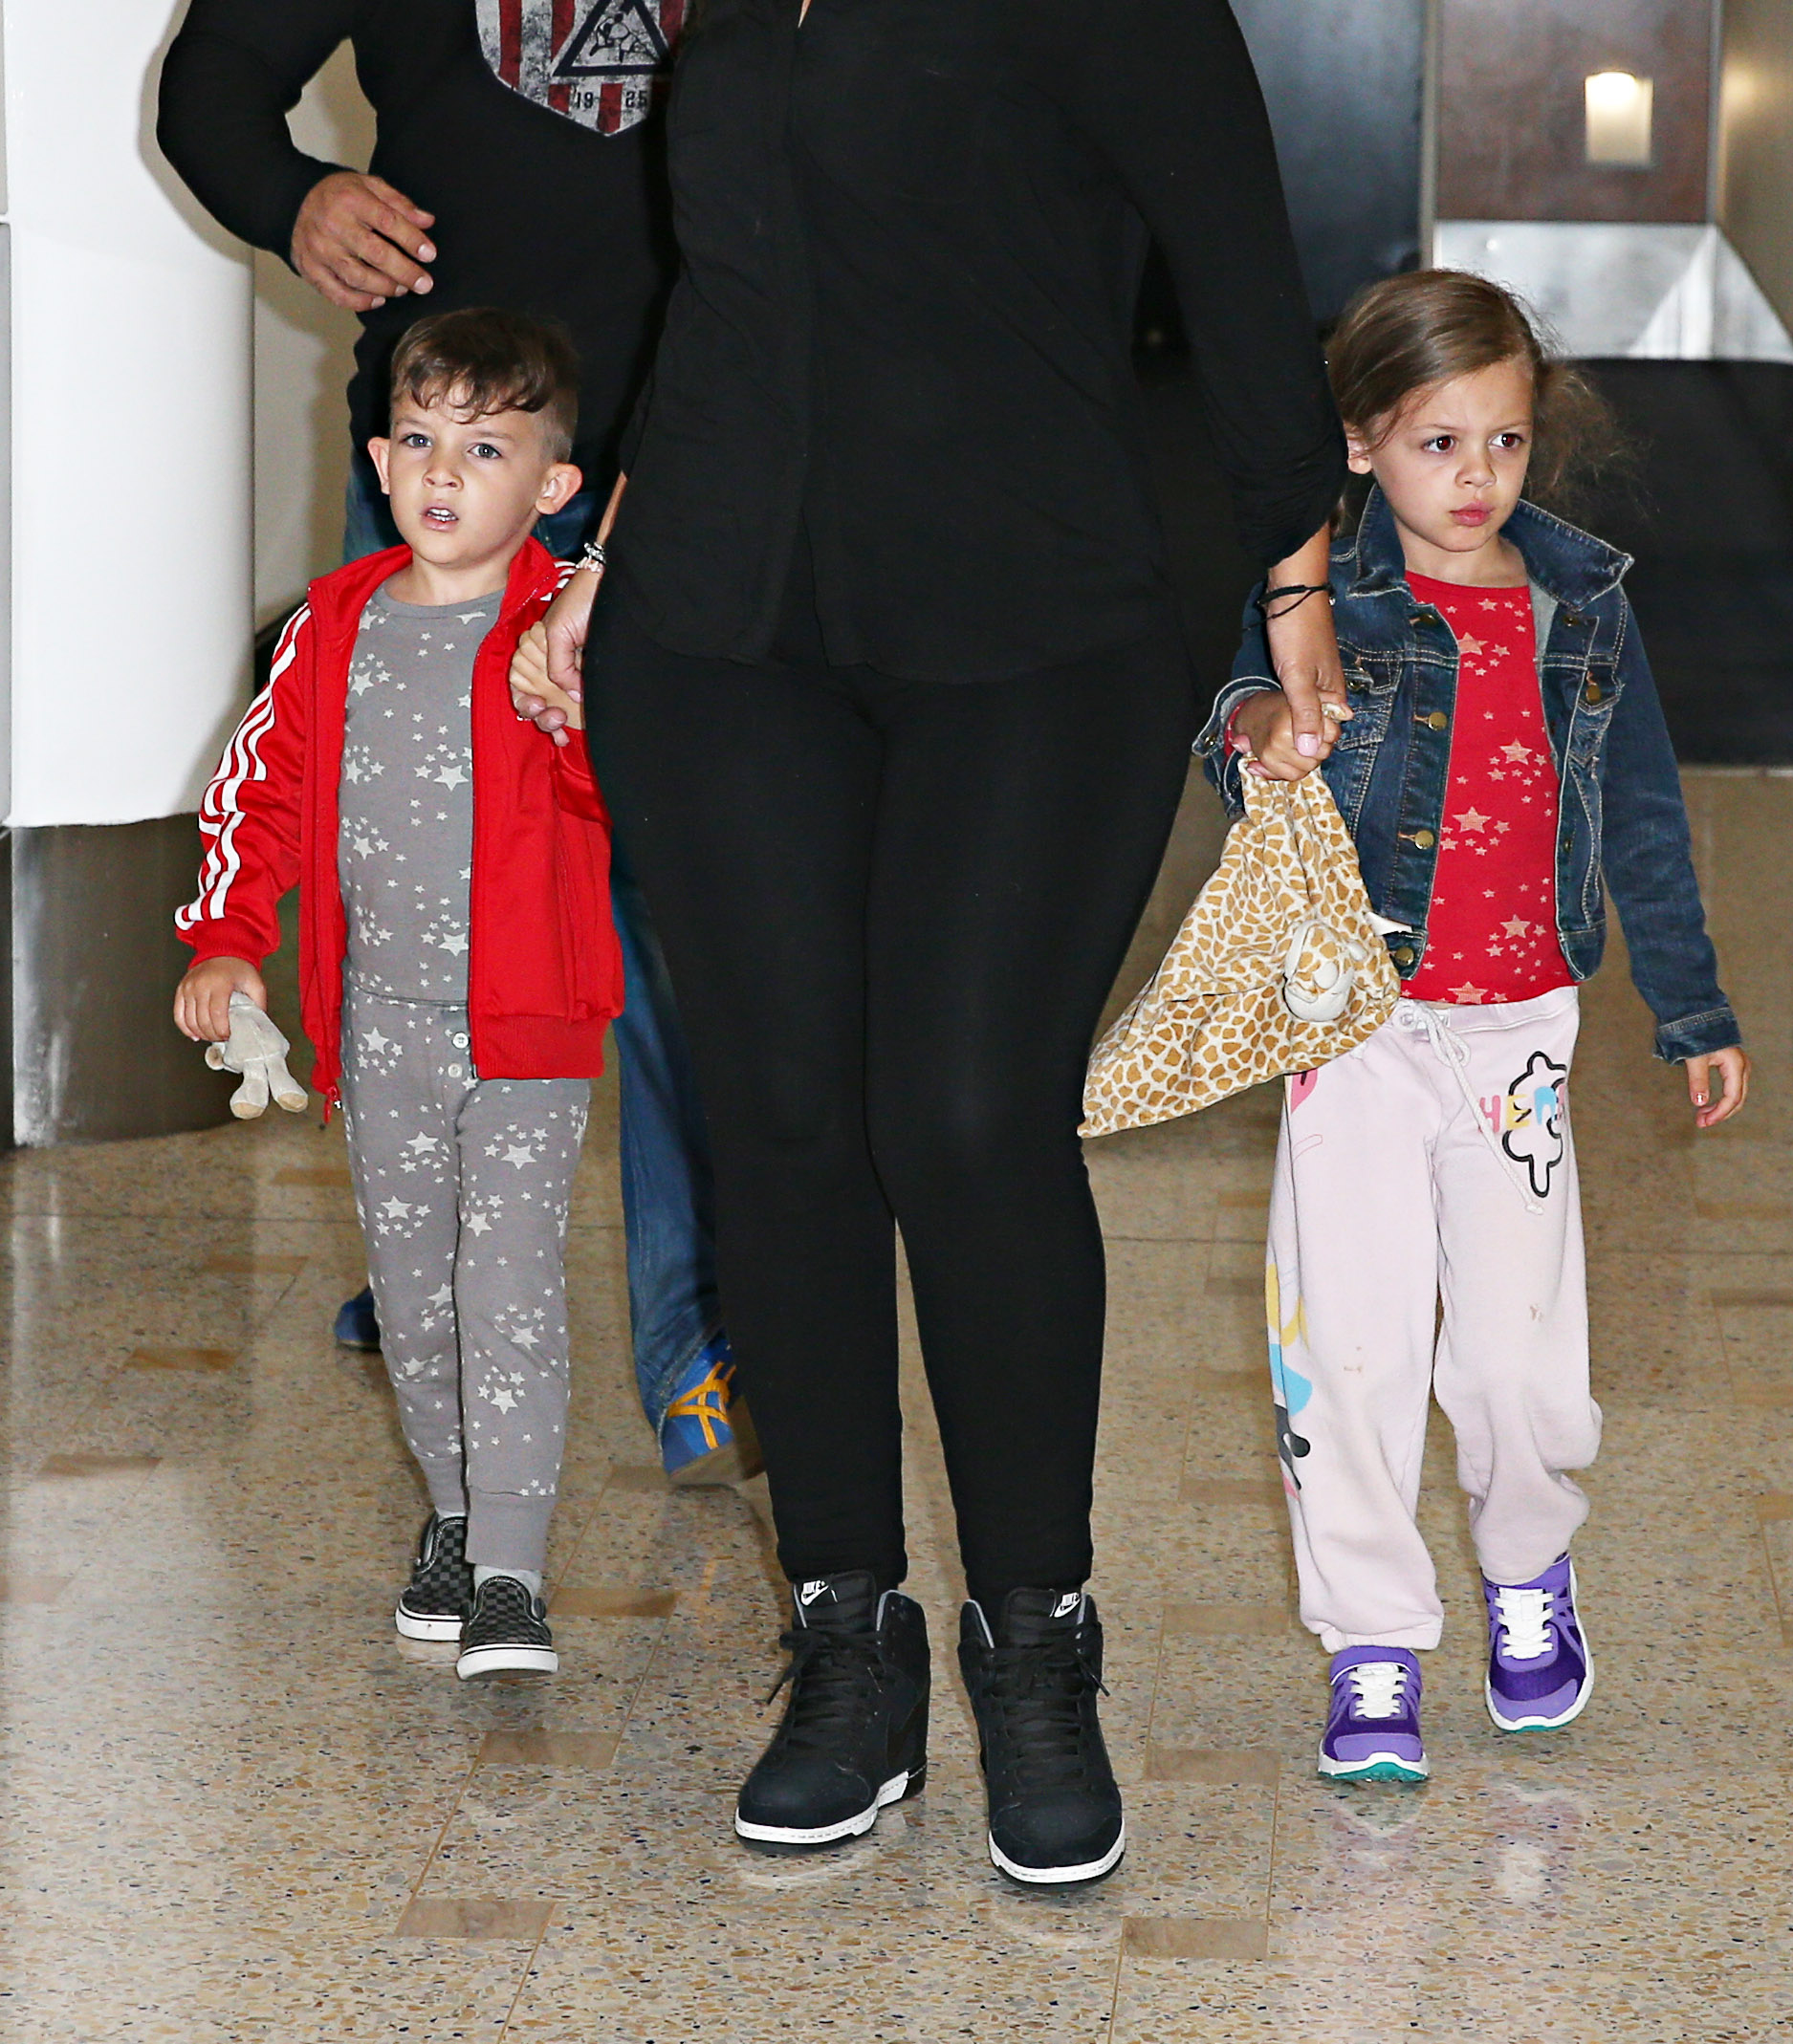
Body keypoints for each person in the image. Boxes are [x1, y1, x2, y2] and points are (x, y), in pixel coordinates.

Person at [513, 0, 1348, 1884]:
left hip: (1037, 615)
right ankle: (849, 1635)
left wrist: (1293, 576)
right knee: (789, 1121)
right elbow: (722, 277)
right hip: (727, 625)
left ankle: (1034, 1642)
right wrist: (610, 555)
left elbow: (1235, 260)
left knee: (965, 1118)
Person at [155, 0, 754, 1486]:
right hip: (449, 486)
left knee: (682, 913)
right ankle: (435, 1252)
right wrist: (294, 199)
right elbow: (212, 84)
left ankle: (701, 1344)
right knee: (426, 891)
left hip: (707, 455)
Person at [1203, 270, 1750, 1784]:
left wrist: (1691, 1001)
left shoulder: (1584, 605)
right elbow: (1238, 709)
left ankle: (1528, 1571)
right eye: (1439, 444)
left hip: (1520, 1030)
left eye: (1504, 444)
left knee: (1520, 1361)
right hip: (1356, 1030)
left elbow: (1641, 810)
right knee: (1353, 1343)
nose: (1477, 479)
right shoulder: (1327, 596)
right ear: (1365, 441)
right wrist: (1259, 732)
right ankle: (1373, 1640)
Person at [173, 310, 623, 1680]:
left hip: (531, 1022)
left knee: (507, 1288)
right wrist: (228, 937)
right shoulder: (334, 624)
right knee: (415, 1298)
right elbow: (265, 794)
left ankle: (511, 1570)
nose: (443, 473)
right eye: (420, 440)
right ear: (379, 454)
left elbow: (642, 809)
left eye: (485, 448)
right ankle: (453, 1513)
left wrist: (584, 730)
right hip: (380, 1026)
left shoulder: (569, 629)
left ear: (553, 484)